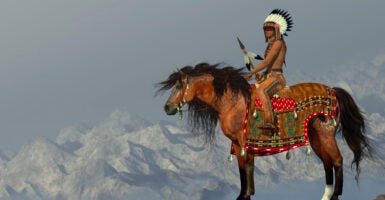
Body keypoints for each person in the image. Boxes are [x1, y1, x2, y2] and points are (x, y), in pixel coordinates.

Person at [245, 9, 293, 129]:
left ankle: (269, 121)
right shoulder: (271, 44)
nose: (266, 32)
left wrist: (252, 71)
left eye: (268, 29)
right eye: (264, 29)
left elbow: (267, 61)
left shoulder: (278, 43)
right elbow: (270, 64)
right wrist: (262, 74)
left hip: (277, 78)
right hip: (270, 76)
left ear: (276, 29)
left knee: (261, 90)